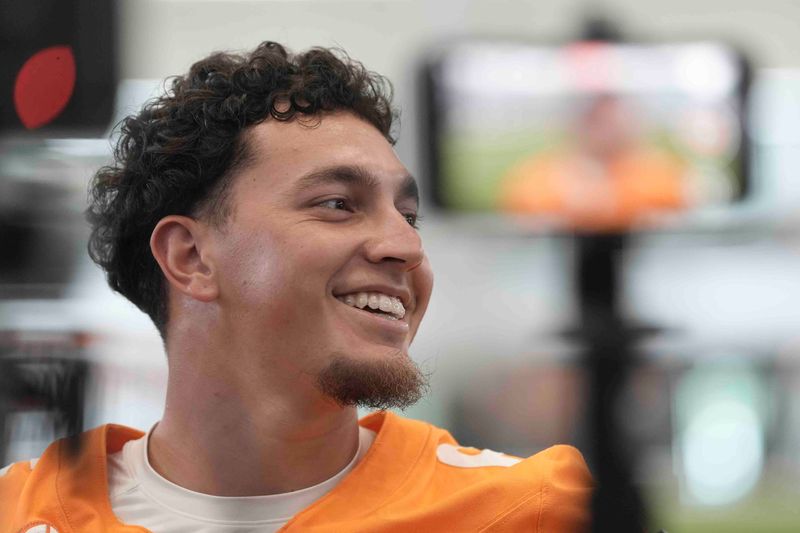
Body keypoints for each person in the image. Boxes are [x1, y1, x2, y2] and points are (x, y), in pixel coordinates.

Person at [0, 42, 592, 532]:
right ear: (191, 257)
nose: (407, 248)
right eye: (337, 204)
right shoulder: (18, 511)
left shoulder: (537, 511)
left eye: (408, 217)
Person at [498, 94, 687, 231]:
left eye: (615, 120)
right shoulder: (541, 172)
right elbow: (521, 215)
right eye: (598, 121)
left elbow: (676, 213)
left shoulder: (658, 169)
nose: (609, 130)